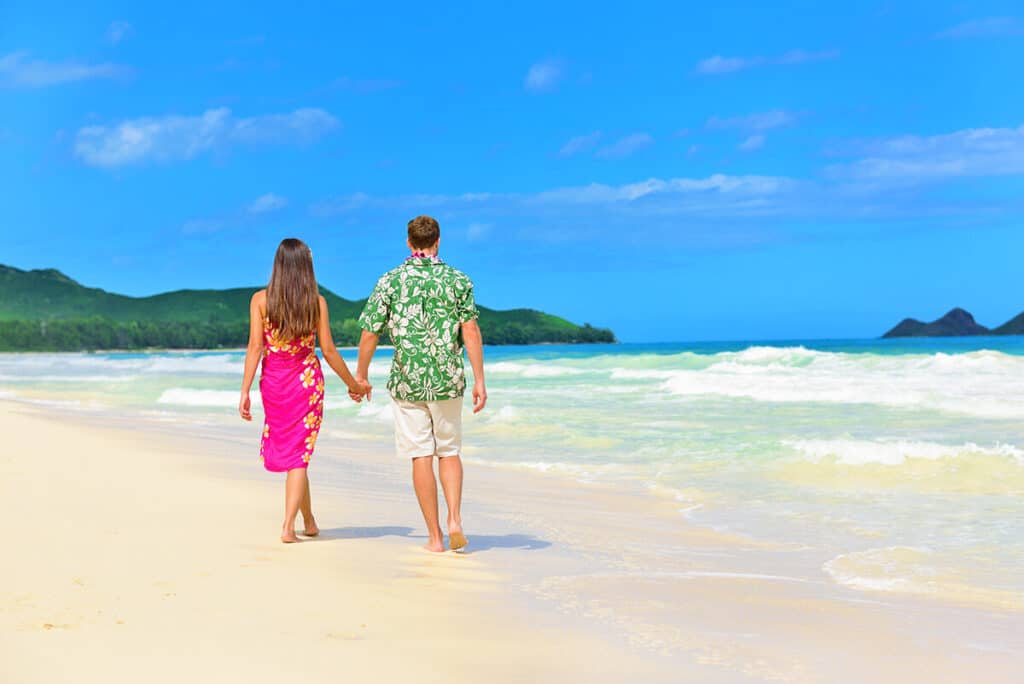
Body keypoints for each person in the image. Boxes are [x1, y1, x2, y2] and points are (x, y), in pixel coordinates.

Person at [355, 215, 487, 553]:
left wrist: (362, 375)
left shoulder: (390, 281)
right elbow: (470, 330)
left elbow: (370, 331)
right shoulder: (459, 281)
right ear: (438, 241)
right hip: (447, 379)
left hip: (409, 381)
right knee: (450, 451)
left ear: (408, 243)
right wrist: (480, 380)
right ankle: (454, 518)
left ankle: (434, 538)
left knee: (421, 456)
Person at [239, 238, 370, 543]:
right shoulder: (316, 303)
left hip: (273, 383)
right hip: (306, 385)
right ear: (305, 265)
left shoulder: (260, 300)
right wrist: (354, 385)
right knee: (299, 456)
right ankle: (287, 526)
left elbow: (256, 347)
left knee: (298, 454)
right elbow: (329, 351)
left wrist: (245, 390)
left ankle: (308, 521)